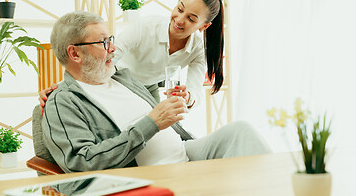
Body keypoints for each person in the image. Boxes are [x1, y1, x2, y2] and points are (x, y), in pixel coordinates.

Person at [42, 11, 271, 173]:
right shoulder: (64, 102)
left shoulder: (123, 77)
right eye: (103, 42)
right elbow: (81, 161)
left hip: (186, 153)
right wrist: (151, 123)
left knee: (242, 131)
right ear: (74, 54)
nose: (113, 47)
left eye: (110, 39)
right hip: (152, 175)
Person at [39, 0, 224, 111]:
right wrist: (60, 87)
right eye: (180, 9)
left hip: (149, 87)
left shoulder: (197, 49)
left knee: (162, 129)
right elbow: (108, 55)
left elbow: (195, 90)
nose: (179, 19)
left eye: (191, 19)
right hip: (118, 78)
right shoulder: (146, 27)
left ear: (204, 26)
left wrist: (188, 96)